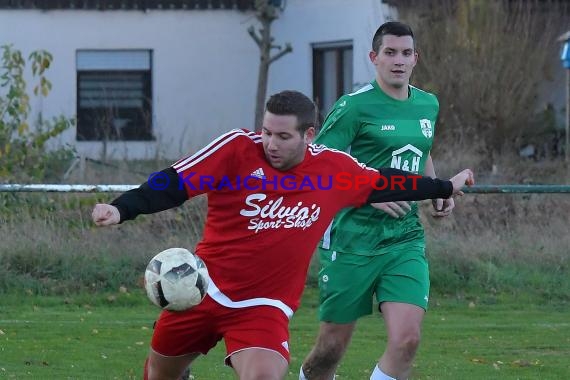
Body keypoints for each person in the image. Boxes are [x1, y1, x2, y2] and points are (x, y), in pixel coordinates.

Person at [92, 90, 473, 380]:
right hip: (200, 292)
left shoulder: (332, 170)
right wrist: (122, 208)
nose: (270, 143)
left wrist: (443, 187)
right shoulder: (236, 151)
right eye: (266, 131)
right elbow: (174, 182)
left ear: (308, 134)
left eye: (283, 136)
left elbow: (388, 182)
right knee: (159, 375)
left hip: (263, 307)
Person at [300, 22, 451, 380]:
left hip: (404, 239)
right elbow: (317, 169)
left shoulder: (428, 104)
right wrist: (368, 194)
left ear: (416, 58)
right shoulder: (353, 107)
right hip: (351, 238)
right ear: (374, 58)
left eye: (406, 53)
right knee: (331, 349)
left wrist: (434, 190)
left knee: (407, 340)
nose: (398, 61)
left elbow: (420, 153)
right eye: (390, 53)